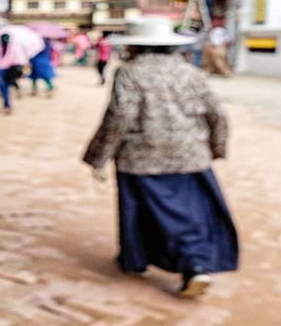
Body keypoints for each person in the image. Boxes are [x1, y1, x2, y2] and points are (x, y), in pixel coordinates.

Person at [83, 16, 238, 298]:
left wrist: (98, 156)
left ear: (135, 46)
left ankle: (145, 260)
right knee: (190, 214)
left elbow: (119, 117)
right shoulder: (189, 72)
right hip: (190, 156)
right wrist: (216, 148)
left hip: (140, 159)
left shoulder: (129, 73)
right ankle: (193, 265)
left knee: (142, 212)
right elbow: (218, 114)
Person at [0, 34, 25, 114]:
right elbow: (19, 59)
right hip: (9, 69)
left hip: (1, 69)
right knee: (7, 86)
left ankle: (7, 105)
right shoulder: (14, 48)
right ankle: (7, 104)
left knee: (4, 88)